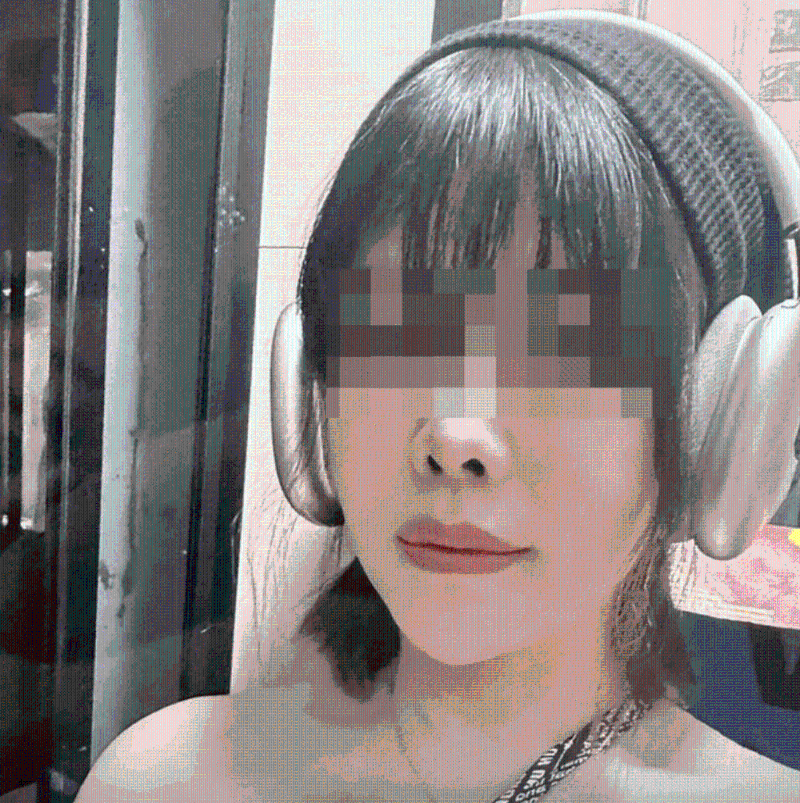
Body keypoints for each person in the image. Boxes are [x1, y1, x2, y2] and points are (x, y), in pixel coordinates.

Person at [75, 10, 800, 802]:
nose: (455, 437)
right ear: (312, 396)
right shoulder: (165, 781)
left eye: (566, 349)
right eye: (395, 336)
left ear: (716, 423)